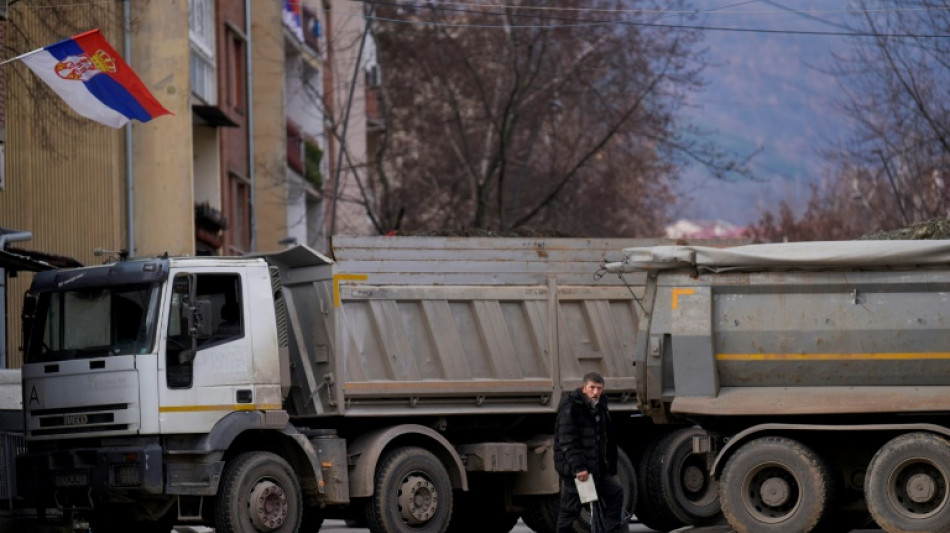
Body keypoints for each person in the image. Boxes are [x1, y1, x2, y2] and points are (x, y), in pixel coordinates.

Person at [554, 371, 625, 533]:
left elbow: (606, 439)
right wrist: (579, 468)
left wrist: (610, 467)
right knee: (572, 508)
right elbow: (567, 441)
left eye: (599, 388)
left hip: (596, 469)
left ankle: (610, 530)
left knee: (615, 492)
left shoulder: (600, 406)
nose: (595, 392)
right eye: (592, 387)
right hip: (579, 471)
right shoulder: (571, 407)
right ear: (583, 388)